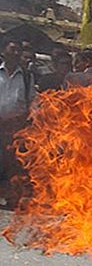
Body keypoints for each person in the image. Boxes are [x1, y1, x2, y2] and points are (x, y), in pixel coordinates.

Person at [0, 38, 36, 206]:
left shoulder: (27, 77)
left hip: (15, 129)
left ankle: (10, 198)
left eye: (18, 51)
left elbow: (32, 104)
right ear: (3, 52)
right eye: (12, 50)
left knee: (12, 164)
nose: (16, 54)